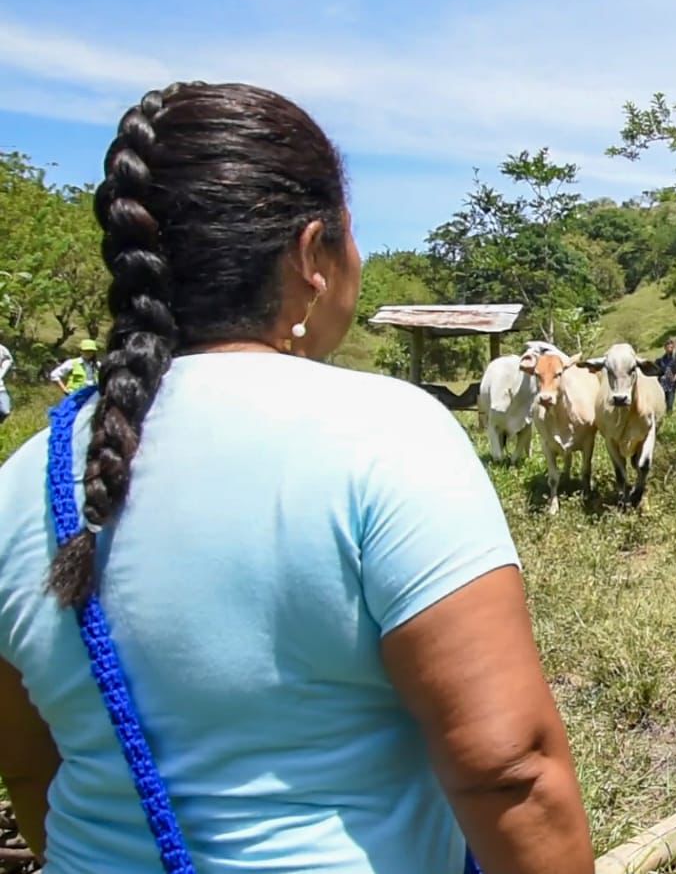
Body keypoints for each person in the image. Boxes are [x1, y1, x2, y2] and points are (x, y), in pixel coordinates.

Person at [0, 83, 593, 874]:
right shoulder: (389, 433)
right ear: (313, 255)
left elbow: (33, 769)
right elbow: (509, 770)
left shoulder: (23, 481)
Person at [654, 336, 676, 413]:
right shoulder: (661, 360)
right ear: (665, 347)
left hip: (671, 385)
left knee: (670, 404)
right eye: (667, 345)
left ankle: (669, 417)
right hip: (662, 385)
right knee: (662, 402)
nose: (669, 346)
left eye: (671, 345)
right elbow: (655, 371)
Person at [0, 340, 12, 423]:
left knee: (6, 410)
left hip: (0, 388)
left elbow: (9, 360)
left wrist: (2, 371)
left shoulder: (2, 349)